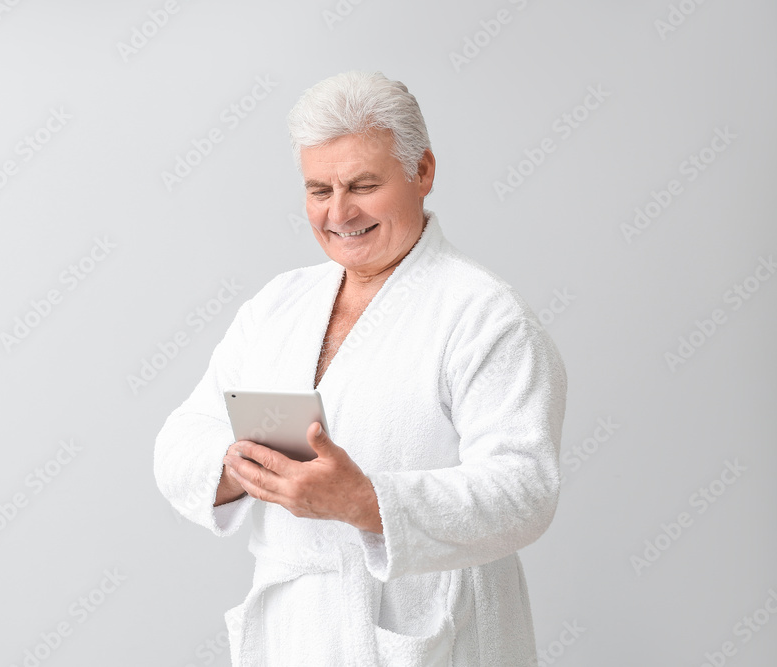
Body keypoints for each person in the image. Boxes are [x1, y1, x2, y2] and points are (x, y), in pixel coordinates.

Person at [153, 71, 568, 666]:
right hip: (296, 631)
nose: (339, 213)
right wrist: (238, 464)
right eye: (318, 190)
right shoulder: (278, 305)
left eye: (363, 185)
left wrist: (365, 500)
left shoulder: (484, 314)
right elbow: (181, 437)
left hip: (432, 633)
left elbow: (525, 488)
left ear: (422, 172)